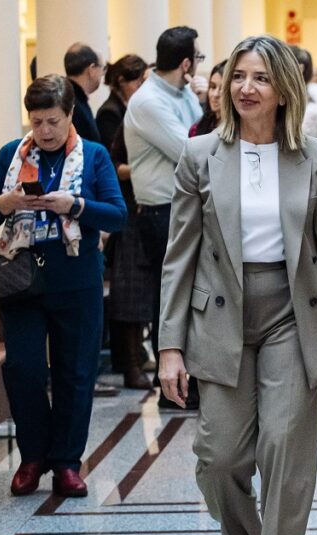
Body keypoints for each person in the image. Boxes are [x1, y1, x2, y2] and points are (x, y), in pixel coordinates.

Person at [158, 35, 317, 535]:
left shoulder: (313, 157)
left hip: (292, 316)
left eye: (261, 78)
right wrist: (169, 346)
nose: (246, 88)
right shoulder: (199, 154)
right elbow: (179, 257)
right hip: (218, 316)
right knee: (219, 460)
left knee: (285, 451)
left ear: (284, 91)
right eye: (239, 77)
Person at [0, 75, 126, 497]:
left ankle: (66, 462)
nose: (44, 131)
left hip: (76, 277)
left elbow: (117, 215)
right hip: (21, 279)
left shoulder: (95, 156)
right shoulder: (11, 155)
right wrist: (5, 203)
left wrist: (77, 206)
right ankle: (33, 456)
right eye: (36, 121)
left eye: (53, 121)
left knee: (75, 371)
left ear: (70, 115)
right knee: (23, 369)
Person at [124, 25, 206, 410]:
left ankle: (191, 381)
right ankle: (172, 390)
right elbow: (191, 151)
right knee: (170, 296)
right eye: (198, 58)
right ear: (187, 63)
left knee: (190, 295)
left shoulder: (183, 91)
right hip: (160, 211)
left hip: (182, 206)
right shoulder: (148, 102)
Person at [96, 54, 152, 391]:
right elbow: (113, 161)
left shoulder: (128, 110)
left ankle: (133, 359)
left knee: (134, 288)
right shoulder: (112, 114)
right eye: (138, 80)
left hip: (131, 204)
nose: (143, 87)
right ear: (122, 82)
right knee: (129, 288)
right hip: (125, 207)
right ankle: (128, 363)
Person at [64, 43, 105, 142]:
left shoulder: (67, 96)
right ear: (91, 69)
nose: (102, 74)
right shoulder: (74, 103)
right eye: (101, 68)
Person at [189, 61, 226, 137]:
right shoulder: (196, 129)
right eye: (213, 87)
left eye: (222, 89)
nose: (215, 94)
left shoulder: (243, 131)